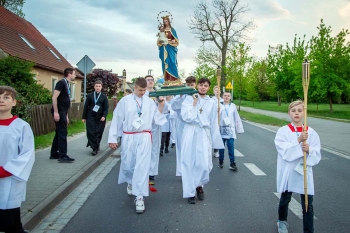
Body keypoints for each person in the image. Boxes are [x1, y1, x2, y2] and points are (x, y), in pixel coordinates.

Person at [108, 78, 166, 214]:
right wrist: (112, 138)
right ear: (134, 87)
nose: (142, 92)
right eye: (140, 90)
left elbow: (156, 119)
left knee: (142, 166)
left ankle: (139, 197)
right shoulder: (125, 101)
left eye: (144, 90)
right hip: (129, 136)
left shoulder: (149, 102)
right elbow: (117, 119)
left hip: (144, 136)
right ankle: (130, 181)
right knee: (128, 165)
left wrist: (161, 105)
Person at [274, 100, 321, 233]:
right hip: (289, 171)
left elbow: (317, 153)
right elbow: (283, 150)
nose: (297, 113)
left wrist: (309, 149)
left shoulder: (311, 132)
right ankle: (282, 221)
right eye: (294, 111)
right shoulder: (283, 131)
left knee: (308, 204)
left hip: (304, 171)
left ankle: (308, 230)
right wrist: (298, 141)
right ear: (289, 113)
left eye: (300, 111)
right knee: (285, 199)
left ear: (304, 113)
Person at [180, 78, 224, 204]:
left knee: (204, 164)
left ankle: (199, 185)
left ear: (208, 88)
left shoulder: (212, 102)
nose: (203, 87)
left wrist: (214, 140)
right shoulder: (189, 98)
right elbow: (186, 116)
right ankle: (190, 192)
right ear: (197, 86)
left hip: (204, 133)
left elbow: (213, 122)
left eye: (205, 85)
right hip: (191, 131)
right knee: (189, 162)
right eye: (201, 85)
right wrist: (194, 103)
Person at [0, 86, 35, 233]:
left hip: (10, 179)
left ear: (14, 102)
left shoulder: (21, 126)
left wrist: (6, 170)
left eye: (6, 97)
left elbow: (28, 154)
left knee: (10, 221)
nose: (1, 100)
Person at [171, 76, 197, 177]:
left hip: (193, 124)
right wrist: (181, 96)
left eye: (192, 85)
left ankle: (192, 169)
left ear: (195, 84)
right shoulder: (180, 94)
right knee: (181, 146)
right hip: (182, 123)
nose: (190, 87)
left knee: (192, 147)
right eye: (188, 85)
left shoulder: (197, 94)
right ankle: (182, 171)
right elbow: (174, 106)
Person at [50, 67, 76, 163]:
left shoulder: (67, 84)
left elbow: (66, 101)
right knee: (62, 133)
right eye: (74, 74)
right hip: (59, 111)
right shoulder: (61, 83)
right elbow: (54, 97)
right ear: (69, 74)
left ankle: (53, 153)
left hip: (63, 111)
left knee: (59, 132)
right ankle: (62, 155)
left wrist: (67, 115)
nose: (75, 75)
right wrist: (56, 112)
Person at [144, 75, 164, 185]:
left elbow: (165, 109)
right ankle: (143, 171)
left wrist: (161, 103)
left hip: (155, 125)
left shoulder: (158, 94)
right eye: (148, 80)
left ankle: (152, 173)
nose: (150, 81)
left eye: (152, 80)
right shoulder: (143, 94)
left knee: (154, 149)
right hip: (144, 126)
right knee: (144, 149)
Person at [218, 92, 244, 171]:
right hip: (221, 129)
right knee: (221, 147)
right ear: (222, 96)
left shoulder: (233, 106)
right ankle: (221, 161)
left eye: (228, 96)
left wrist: (239, 129)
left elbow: (236, 117)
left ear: (230, 97)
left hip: (230, 130)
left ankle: (232, 163)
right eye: (225, 95)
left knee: (231, 147)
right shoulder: (219, 105)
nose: (226, 97)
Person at [82, 80, 109, 156]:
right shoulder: (90, 95)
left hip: (100, 118)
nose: (98, 87)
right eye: (96, 86)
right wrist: (84, 117)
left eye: (99, 86)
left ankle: (96, 145)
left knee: (98, 132)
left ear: (101, 87)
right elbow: (86, 106)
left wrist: (104, 116)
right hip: (90, 116)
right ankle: (94, 148)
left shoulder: (104, 97)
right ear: (94, 87)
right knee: (90, 132)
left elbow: (106, 107)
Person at [157, 15, 179, 81]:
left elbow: (176, 40)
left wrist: (173, 41)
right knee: (165, 63)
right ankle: (167, 79)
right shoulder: (162, 31)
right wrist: (161, 41)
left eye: (166, 21)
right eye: (164, 21)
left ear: (169, 21)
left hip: (171, 47)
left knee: (172, 62)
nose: (165, 22)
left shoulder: (172, 30)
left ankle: (175, 78)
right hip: (164, 48)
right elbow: (159, 41)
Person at [212, 85, 223, 158]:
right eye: (216, 90)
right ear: (213, 91)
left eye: (218, 90)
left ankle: (216, 151)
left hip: (220, 120)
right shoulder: (211, 100)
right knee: (212, 135)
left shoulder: (222, 101)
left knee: (218, 136)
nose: (217, 91)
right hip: (213, 120)